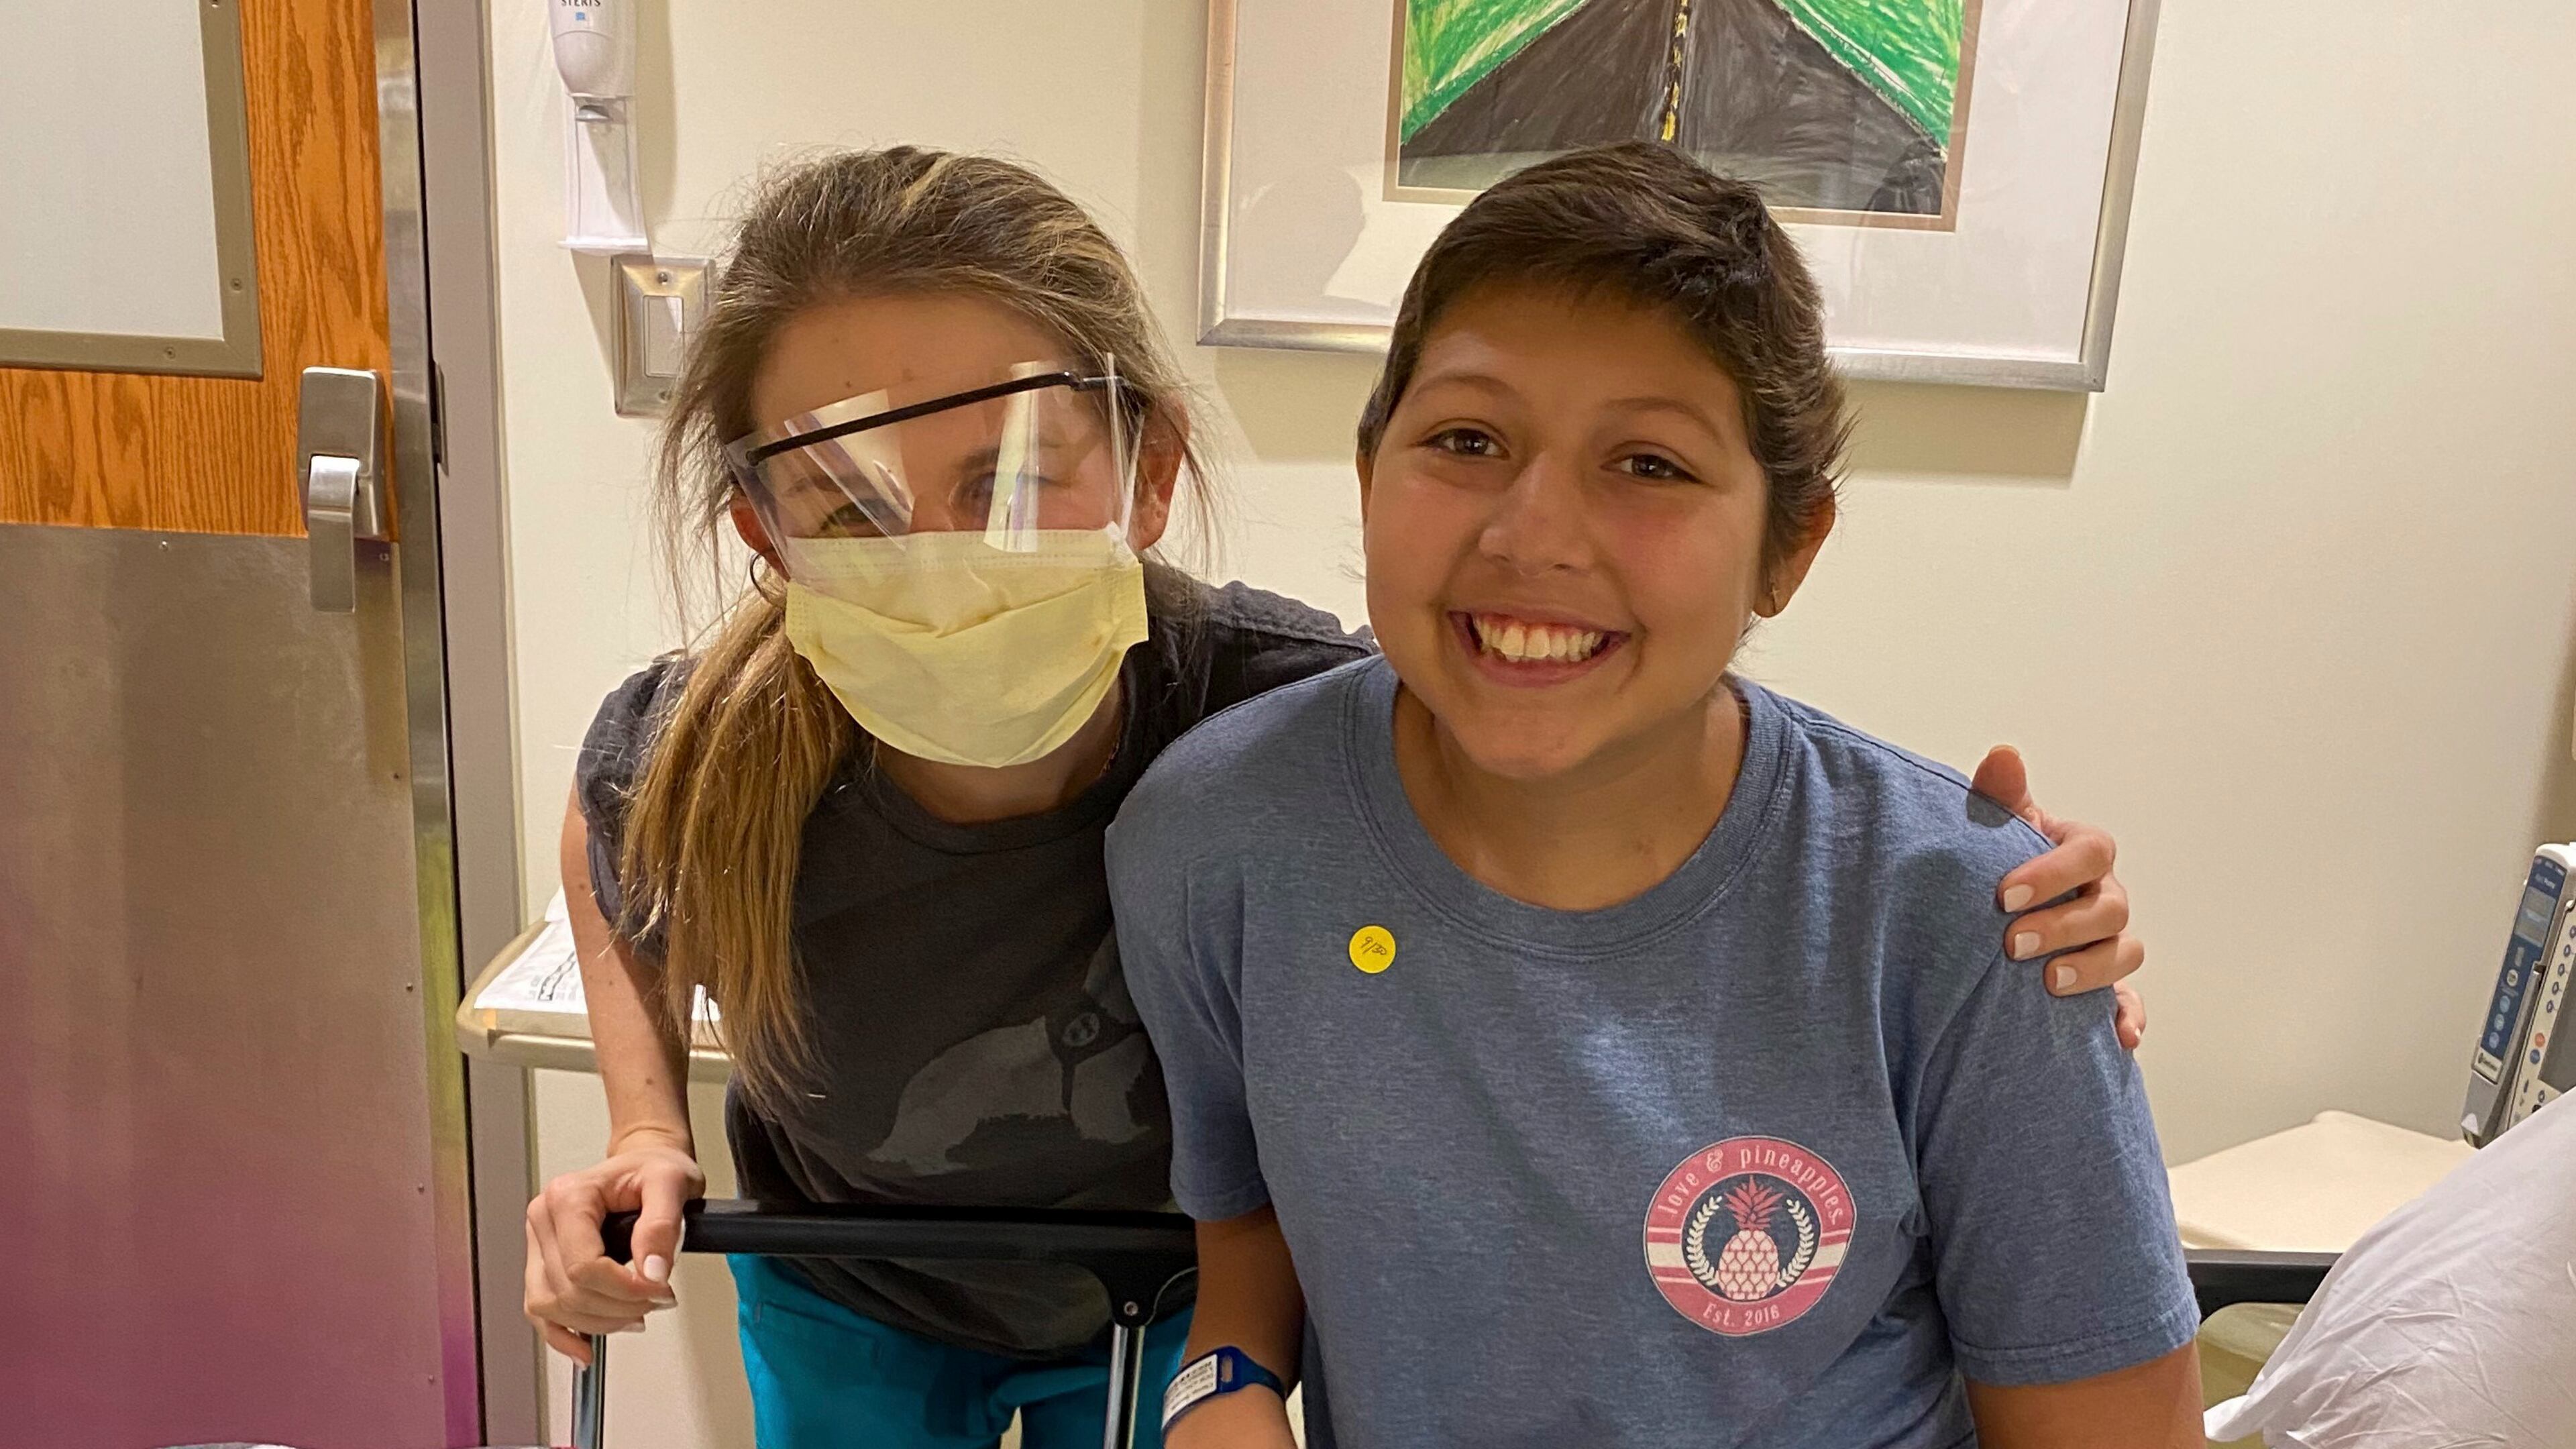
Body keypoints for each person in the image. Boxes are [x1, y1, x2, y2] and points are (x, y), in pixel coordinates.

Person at [522, 147, 2155, 1449]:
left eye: (1015, 478)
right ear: (761, 532)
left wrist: (1981, 921)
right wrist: (647, 1123)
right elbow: (614, 834)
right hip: (850, 1284)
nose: (1536, 537)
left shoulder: (1270, 716)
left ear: (1149, 468)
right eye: (849, 506)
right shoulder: (762, 747)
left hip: (1133, 1299)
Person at [1110, 143, 2203, 1449]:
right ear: (1368, 468)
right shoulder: (1211, 840)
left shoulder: (1981, 922)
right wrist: (1219, 1396)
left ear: (1787, 547)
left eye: (1650, 465)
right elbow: (1248, 1243)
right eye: (1468, 438)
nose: (1533, 533)